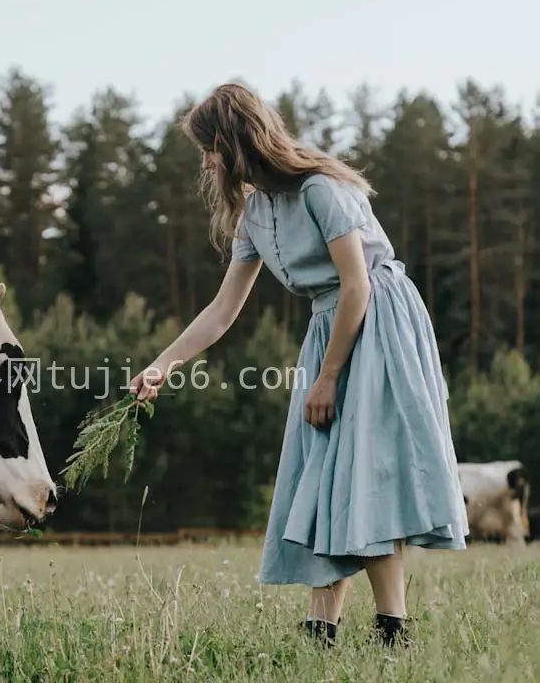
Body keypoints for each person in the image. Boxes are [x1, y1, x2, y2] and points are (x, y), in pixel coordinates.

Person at [130, 82, 468, 647]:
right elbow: (221, 310)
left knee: (364, 468)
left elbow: (358, 283)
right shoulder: (256, 211)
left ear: (234, 141)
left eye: (209, 147)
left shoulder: (320, 189)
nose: (207, 161)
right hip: (328, 326)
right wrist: (164, 364)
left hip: (376, 320)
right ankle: (324, 629)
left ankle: (391, 630)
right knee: (326, 472)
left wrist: (329, 376)